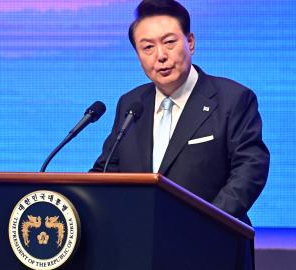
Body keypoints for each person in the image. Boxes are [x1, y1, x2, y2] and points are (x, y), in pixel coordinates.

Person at [91, 0, 270, 269]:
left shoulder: (233, 99)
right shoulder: (131, 104)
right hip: (140, 251)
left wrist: (205, 223)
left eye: (169, 42)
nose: (160, 56)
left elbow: (250, 169)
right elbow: (107, 169)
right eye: (148, 47)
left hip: (212, 248)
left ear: (191, 42)